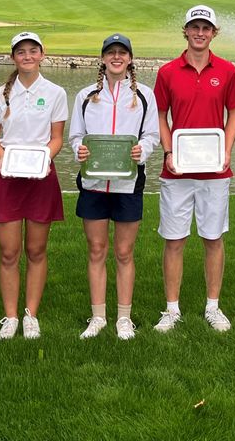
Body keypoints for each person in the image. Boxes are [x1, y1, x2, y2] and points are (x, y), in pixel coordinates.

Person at [153, 5, 235, 333]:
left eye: (206, 28)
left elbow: (234, 114)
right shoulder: (168, 72)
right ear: (186, 31)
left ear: (214, 33)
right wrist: (168, 151)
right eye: (195, 27)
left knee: (213, 238)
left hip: (214, 171)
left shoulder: (228, 71)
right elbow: (160, 116)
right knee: (174, 240)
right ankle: (171, 309)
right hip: (177, 170)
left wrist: (227, 150)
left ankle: (213, 307)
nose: (200, 33)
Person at [70, 33, 159, 340]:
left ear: (130, 58)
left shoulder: (144, 95)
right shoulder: (86, 95)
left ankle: (123, 318)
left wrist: (142, 151)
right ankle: (98, 317)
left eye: (122, 52)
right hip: (93, 183)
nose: (117, 57)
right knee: (96, 250)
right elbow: (75, 136)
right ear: (103, 58)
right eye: (111, 52)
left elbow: (152, 135)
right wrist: (79, 150)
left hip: (128, 184)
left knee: (123, 252)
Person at [0, 31, 67, 340]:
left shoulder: (56, 92)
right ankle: (10, 317)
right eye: (21, 51)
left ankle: (31, 315)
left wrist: (42, 160)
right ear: (13, 57)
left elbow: (56, 138)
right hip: (7, 177)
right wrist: (7, 159)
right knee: (9, 252)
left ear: (42, 54)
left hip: (41, 177)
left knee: (36, 249)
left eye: (33, 50)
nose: (27, 56)